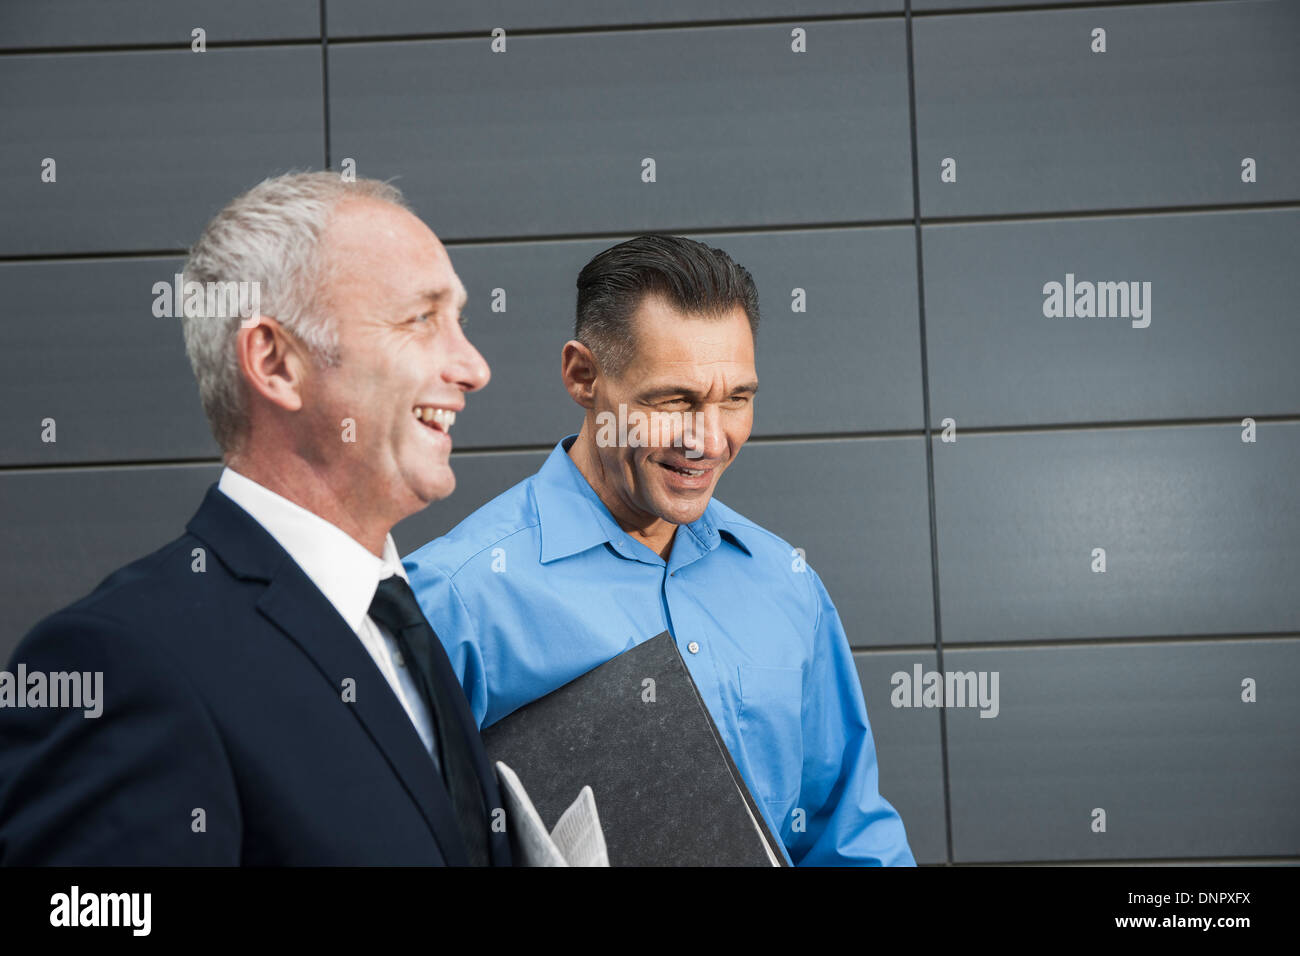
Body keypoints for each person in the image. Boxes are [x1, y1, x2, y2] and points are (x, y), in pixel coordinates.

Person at [0, 172, 509, 866]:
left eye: (461, 320)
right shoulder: (125, 661)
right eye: (422, 319)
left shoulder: (404, 626)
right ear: (275, 363)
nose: (473, 366)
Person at [405, 235, 915, 866]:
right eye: (674, 400)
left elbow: (847, 834)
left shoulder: (786, 584)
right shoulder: (453, 597)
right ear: (582, 376)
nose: (710, 440)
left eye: (737, 399)